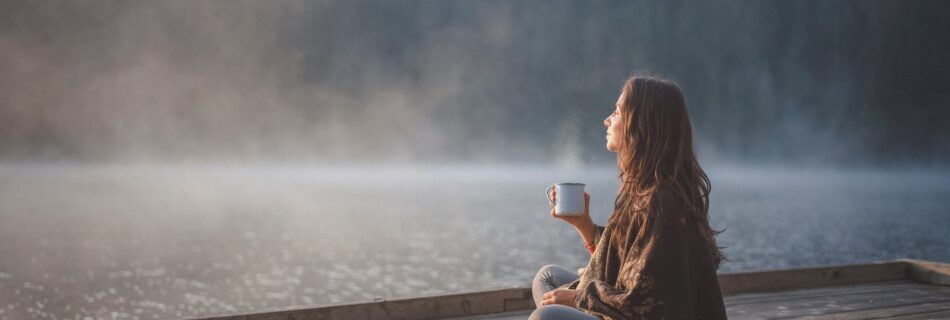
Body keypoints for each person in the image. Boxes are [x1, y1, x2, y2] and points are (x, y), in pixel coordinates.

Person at [531, 73, 729, 320]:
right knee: (548, 278)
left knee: (546, 316)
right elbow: (629, 263)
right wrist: (584, 225)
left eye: (616, 112)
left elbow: (646, 304)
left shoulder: (662, 202)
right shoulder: (649, 188)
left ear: (641, 124)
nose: (606, 120)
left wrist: (579, 298)